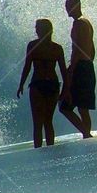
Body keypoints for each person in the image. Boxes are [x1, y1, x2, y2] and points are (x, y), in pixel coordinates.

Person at [17, 19, 67, 147]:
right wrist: (66, 89)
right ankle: (50, 148)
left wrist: (21, 84)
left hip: (38, 85)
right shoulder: (57, 48)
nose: (36, 30)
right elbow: (63, 72)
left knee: (38, 123)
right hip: (53, 85)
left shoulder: (33, 45)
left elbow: (27, 66)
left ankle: (39, 151)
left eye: (38, 28)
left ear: (43, 30)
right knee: (47, 122)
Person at [59, 0, 96, 138]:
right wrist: (89, 61)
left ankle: (86, 134)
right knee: (83, 108)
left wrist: (71, 69)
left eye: (69, 5)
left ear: (77, 6)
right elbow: (92, 49)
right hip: (88, 65)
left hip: (80, 67)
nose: (67, 8)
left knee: (64, 106)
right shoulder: (87, 22)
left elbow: (77, 50)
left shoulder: (78, 24)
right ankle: (86, 136)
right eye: (66, 5)